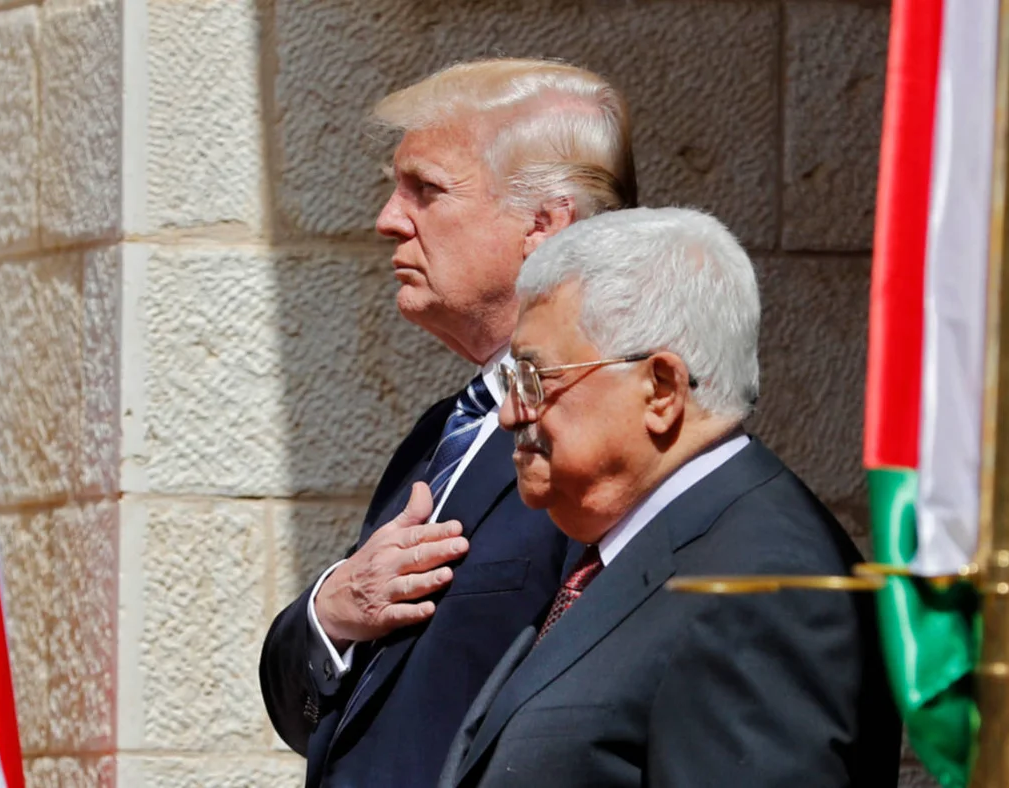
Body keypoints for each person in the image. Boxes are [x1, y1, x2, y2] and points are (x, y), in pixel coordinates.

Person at [258, 58, 639, 788]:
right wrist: (334, 609)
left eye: (426, 190)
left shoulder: (613, 437)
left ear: (544, 225)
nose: (387, 219)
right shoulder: (444, 432)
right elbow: (316, 717)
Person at [438, 207, 902, 788]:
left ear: (661, 389)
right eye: (511, 383)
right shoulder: (633, 548)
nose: (511, 413)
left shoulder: (766, 588)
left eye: (534, 379)